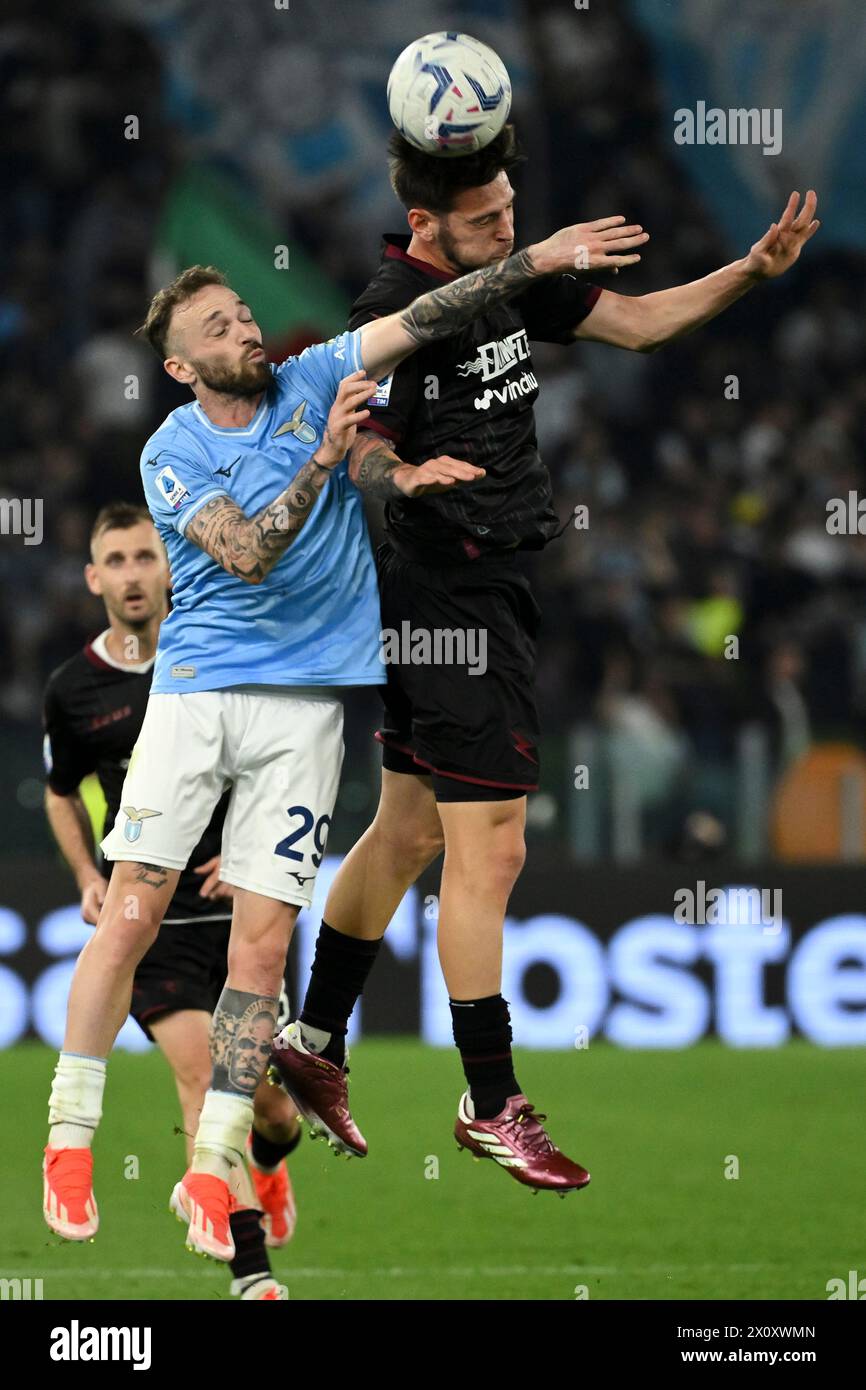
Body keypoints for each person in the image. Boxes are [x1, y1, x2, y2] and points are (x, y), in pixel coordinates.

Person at [42, 214, 637, 1258]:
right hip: (200, 692)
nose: (244, 328)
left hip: (312, 705)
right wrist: (322, 460)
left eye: (242, 311)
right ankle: (70, 1135)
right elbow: (247, 554)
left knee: (263, 949)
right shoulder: (172, 448)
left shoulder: (317, 370)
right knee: (131, 912)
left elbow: (426, 312)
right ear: (183, 365)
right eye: (219, 326)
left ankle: (213, 1161)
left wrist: (529, 264)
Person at [269, 127, 820, 1193]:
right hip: (448, 590)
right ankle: (488, 1101)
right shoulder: (393, 304)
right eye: (485, 219)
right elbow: (360, 438)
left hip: (487, 585)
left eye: (512, 206)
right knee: (494, 855)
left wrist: (747, 271)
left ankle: (313, 1038)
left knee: (407, 828)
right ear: (425, 224)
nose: (508, 227)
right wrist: (399, 479)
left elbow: (641, 322)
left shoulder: (508, 279)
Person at [43, 501, 299, 1299]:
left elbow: (272, 760)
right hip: (149, 923)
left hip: (241, 915)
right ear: (94, 578)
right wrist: (89, 874)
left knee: (273, 1108)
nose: (131, 575)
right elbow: (61, 791)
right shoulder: (74, 689)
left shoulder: (216, 653)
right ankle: (252, 1275)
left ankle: (269, 1158)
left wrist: (252, 847)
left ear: (168, 568)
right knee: (201, 1070)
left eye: (144, 557)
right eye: (114, 561)